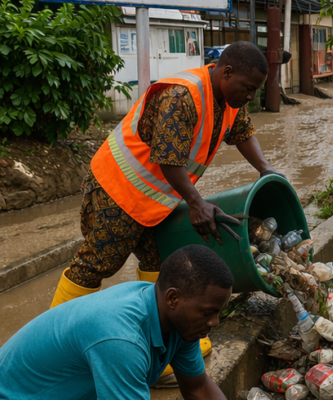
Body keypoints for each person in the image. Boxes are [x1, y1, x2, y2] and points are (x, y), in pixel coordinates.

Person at [49, 41, 281, 366]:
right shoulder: (182, 95)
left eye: (255, 90)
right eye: (248, 88)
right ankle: (54, 346)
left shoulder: (230, 99)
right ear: (227, 72)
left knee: (162, 264)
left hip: (157, 198)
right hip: (118, 190)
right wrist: (196, 202)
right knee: (97, 264)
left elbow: (241, 133)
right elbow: (169, 158)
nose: (251, 97)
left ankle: (164, 350)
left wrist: (266, 169)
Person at [0, 245, 234, 400]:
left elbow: (197, 387)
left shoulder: (181, 320)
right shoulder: (121, 338)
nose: (214, 322)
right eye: (208, 313)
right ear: (173, 298)